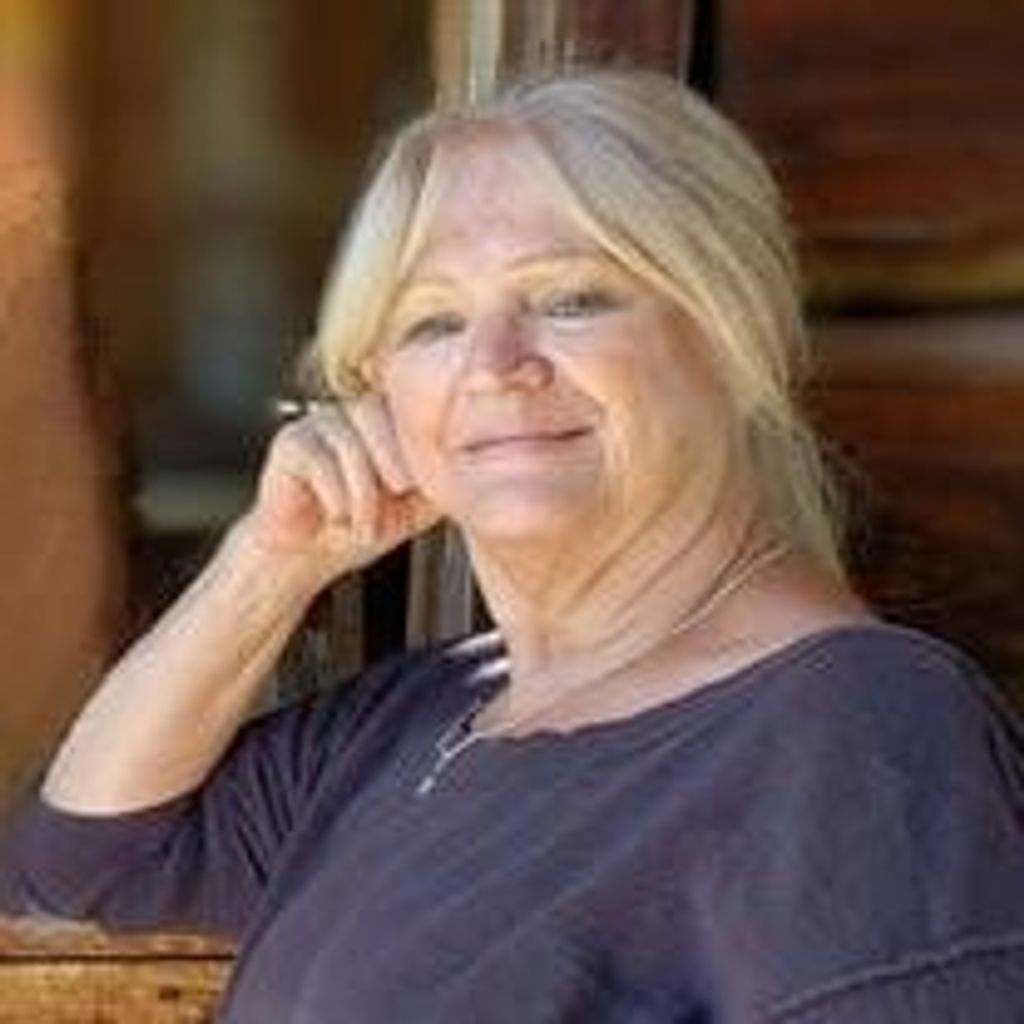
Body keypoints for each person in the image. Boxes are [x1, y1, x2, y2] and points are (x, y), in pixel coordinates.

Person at [2, 68, 1024, 1023]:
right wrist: (270, 563)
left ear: (731, 335)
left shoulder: (855, 732)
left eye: (571, 299)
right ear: (376, 394)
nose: (494, 365)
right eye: (432, 322)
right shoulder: (427, 715)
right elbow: (87, 857)